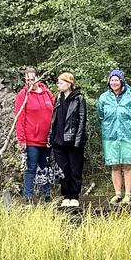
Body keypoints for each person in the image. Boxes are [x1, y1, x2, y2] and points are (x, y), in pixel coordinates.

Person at [97, 69, 131, 206]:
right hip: (110, 136)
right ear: (109, 82)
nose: (114, 82)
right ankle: (118, 194)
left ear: (121, 81)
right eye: (111, 80)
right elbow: (101, 116)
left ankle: (128, 195)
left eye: (116, 80)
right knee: (115, 165)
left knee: (128, 165)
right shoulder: (103, 98)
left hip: (129, 135)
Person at [15, 68, 55, 204]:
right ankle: (28, 197)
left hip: (47, 139)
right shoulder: (23, 95)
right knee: (31, 167)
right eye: (27, 80)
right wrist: (22, 139)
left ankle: (47, 195)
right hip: (31, 139)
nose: (29, 82)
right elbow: (19, 118)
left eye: (32, 79)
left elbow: (54, 113)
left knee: (45, 166)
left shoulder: (47, 93)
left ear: (38, 78)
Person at [49, 72, 86, 208]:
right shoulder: (57, 98)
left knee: (75, 168)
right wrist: (51, 137)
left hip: (73, 140)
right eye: (58, 82)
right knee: (63, 170)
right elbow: (54, 119)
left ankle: (74, 195)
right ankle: (65, 195)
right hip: (58, 140)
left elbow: (82, 121)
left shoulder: (79, 98)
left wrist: (78, 140)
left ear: (69, 83)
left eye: (61, 82)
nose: (58, 84)